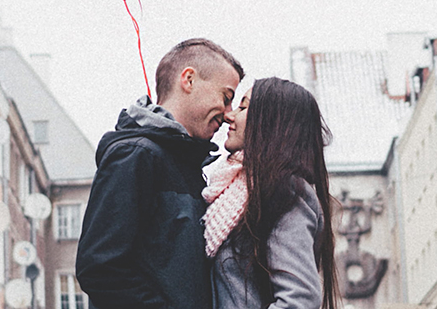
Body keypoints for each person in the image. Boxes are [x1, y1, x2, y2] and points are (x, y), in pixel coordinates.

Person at [76, 38, 244, 309]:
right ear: (188, 80)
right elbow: (100, 268)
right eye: (226, 98)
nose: (228, 114)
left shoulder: (185, 164)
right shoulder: (136, 155)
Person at [202, 77, 338, 309]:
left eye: (243, 107)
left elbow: (299, 299)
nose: (229, 116)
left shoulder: (287, 193)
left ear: (270, 123)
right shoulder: (234, 192)